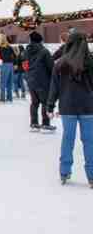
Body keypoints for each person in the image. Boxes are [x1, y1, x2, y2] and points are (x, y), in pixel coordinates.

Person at [47, 33, 93, 186]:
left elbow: (54, 87)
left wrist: (50, 105)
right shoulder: (90, 62)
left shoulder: (60, 64)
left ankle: (64, 171)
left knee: (68, 139)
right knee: (90, 141)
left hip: (67, 107)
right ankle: (92, 175)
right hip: (88, 107)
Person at [25, 31, 55, 133]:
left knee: (34, 102)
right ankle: (45, 124)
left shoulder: (27, 50)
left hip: (31, 80)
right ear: (40, 40)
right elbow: (51, 67)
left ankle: (34, 124)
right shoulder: (44, 51)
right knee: (45, 102)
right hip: (43, 81)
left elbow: (24, 64)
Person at [0, 34, 16, 103]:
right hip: (11, 65)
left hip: (5, 64)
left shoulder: (0, 47)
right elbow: (14, 55)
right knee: (9, 82)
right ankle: (9, 98)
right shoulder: (10, 47)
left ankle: (2, 98)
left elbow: (1, 57)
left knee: (3, 82)